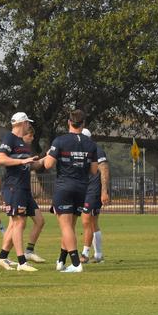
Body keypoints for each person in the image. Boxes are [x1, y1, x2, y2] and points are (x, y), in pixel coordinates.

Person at [43, 109, 98, 273]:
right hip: (82, 188)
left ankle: (75, 264)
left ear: (69, 122)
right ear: (84, 124)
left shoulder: (59, 141)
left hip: (64, 187)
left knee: (65, 226)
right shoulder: (91, 144)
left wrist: (49, 155)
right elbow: (94, 170)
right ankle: (61, 260)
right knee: (70, 226)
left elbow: (48, 165)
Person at [0, 112, 40, 272]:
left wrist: (43, 160)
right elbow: (0, 160)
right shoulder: (10, 138)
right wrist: (22, 160)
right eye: (27, 123)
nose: (29, 126)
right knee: (18, 222)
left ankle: (2, 257)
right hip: (14, 186)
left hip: (23, 187)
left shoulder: (21, 142)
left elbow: (28, 165)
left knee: (18, 223)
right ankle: (21, 262)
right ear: (22, 123)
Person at [79, 128, 110, 264]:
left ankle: (85, 253)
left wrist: (104, 191)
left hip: (94, 190)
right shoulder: (81, 151)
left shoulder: (96, 150)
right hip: (84, 189)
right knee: (92, 222)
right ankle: (98, 254)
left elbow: (104, 170)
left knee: (86, 219)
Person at [19, 126, 47, 263]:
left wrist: (47, 157)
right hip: (16, 191)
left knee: (40, 221)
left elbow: (33, 166)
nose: (32, 138)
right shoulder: (16, 148)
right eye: (30, 135)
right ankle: (3, 256)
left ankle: (29, 251)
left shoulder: (26, 150)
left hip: (26, 192)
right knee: (17, 225)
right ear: (23, 135)